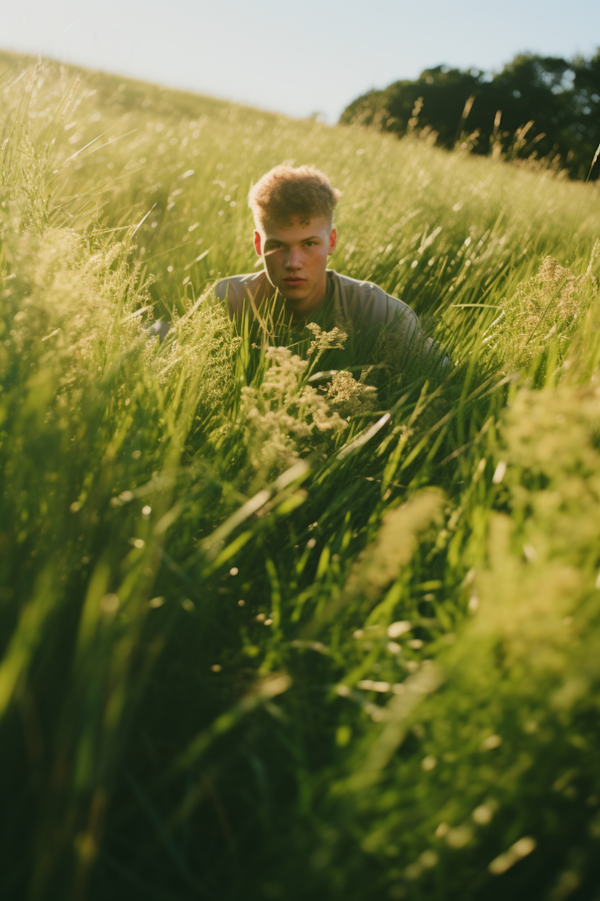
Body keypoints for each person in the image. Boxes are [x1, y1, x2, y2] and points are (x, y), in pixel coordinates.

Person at [214, 165, 441, 381]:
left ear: (331, 242)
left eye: (309, 244)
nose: (293, 263)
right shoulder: (227, 302)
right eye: (278, 245)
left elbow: (444, 380)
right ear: (257, 244)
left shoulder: (380, 314)